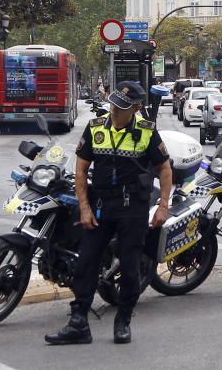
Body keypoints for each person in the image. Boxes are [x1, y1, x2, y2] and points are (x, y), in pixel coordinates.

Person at [45, 81, 173, 346]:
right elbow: (81, 169)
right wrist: (84, 208)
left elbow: (164, 169)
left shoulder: (147, 132)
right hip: (101, 205)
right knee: (86, 263)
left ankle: (123, 321)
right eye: (114, 103)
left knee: (129, 268)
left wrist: (162, 206)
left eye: (122, 106)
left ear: (136, 108)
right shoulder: (95, 127)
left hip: (133, 208)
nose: (114, 109)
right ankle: (79, 322)